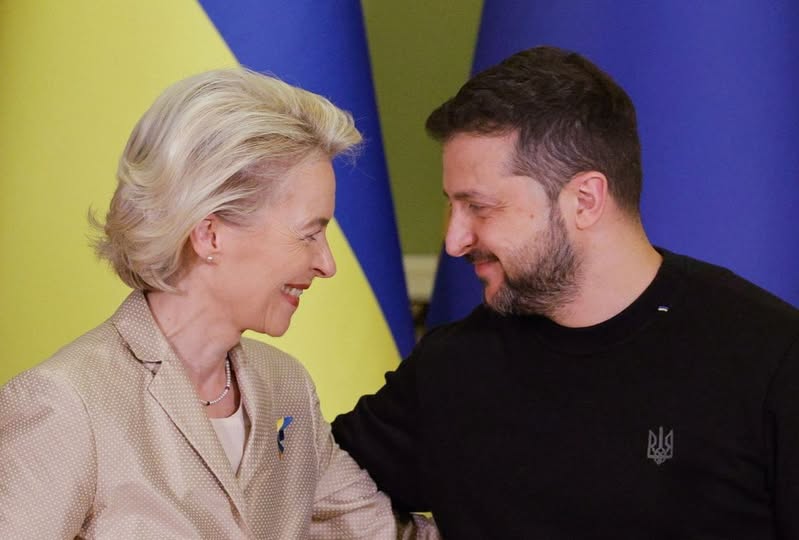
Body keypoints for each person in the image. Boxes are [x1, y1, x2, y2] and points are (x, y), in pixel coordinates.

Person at [332, 46, 799, 539]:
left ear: (585, 200)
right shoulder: (452, 368)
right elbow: (309, 494)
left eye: (480, 207)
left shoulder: (772, 360)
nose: (454, 241)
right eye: (453, 206)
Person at [0, 68, 437, 539]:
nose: (327, 264)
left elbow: (378, 532)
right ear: (210, 234)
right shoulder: (66, 402)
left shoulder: (285, 386)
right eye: (309, 234)